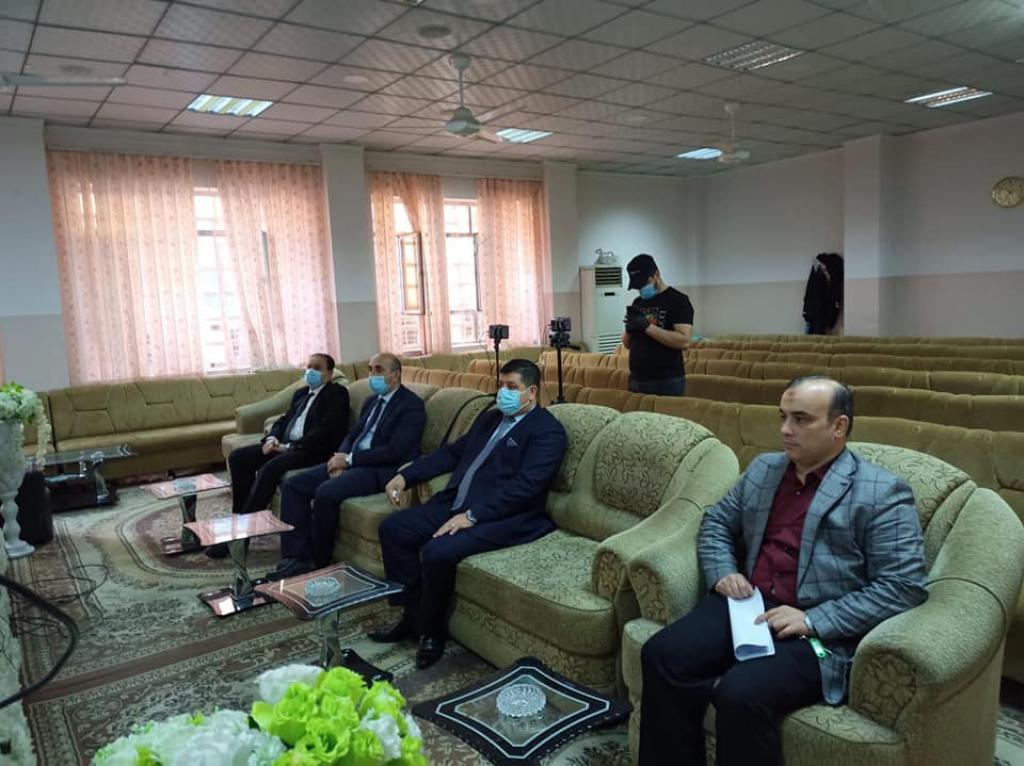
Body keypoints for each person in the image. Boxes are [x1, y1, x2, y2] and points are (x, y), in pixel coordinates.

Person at [638, 376, 928, 766]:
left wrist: (814, 619)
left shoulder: (881, 491)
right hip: (748, 604)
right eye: (783, 416)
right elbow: (717, 521)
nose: (786, 430)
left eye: (801, 419)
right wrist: (723, 570)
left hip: (818, 632)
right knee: (662, 654)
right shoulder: (765, 469)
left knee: (741, 693)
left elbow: (903, 586)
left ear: (839, 426)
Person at [371, 359, 567, 669]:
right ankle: (412, 616)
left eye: (512, 387)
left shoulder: (547, 431)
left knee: (437, 551)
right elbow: (451, 453)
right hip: (456, 503)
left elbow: (526, 487)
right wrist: (405, 476)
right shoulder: (490, 418)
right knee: (394, 528)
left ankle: (432, 632)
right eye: (501, 385)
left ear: (531, 392)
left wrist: (473, 515)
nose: (503, 393)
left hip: (505, 517)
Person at [266, 353, 426, 581]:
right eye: (370, 369)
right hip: (352, 461)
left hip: (381, 469)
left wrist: (350, 460)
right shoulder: (372, 401)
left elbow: (395, 451)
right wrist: (340, 457)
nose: (372, 375)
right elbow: (353, 435)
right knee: (294, 485)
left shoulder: (411, 405)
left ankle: (318, 561)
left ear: (396, 374)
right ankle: (294, 556)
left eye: (379, 369)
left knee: (326, 492)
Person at [209, 353, 348, 558]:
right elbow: (283, 420)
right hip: (284, 445)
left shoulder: (337, 393)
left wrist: (290, 446)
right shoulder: (301, 394)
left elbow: (326, 430)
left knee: (270, 469)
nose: (311, 371)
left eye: (317, 368)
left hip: (312, 450)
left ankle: (241, 537)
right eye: (308, 367)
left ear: (329, 373)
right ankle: (238, 521)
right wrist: (272, 439)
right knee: (238, 457)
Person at [622, 253, 694, 396]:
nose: (641, 289)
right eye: (638, 287)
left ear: (656, 274)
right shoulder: (638, 303)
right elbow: (628, 344)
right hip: (637, 379)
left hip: (666, 381)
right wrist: (629, 330)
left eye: (644, 284)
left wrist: (647, 327)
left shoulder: (678, 300)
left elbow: (684, 341)